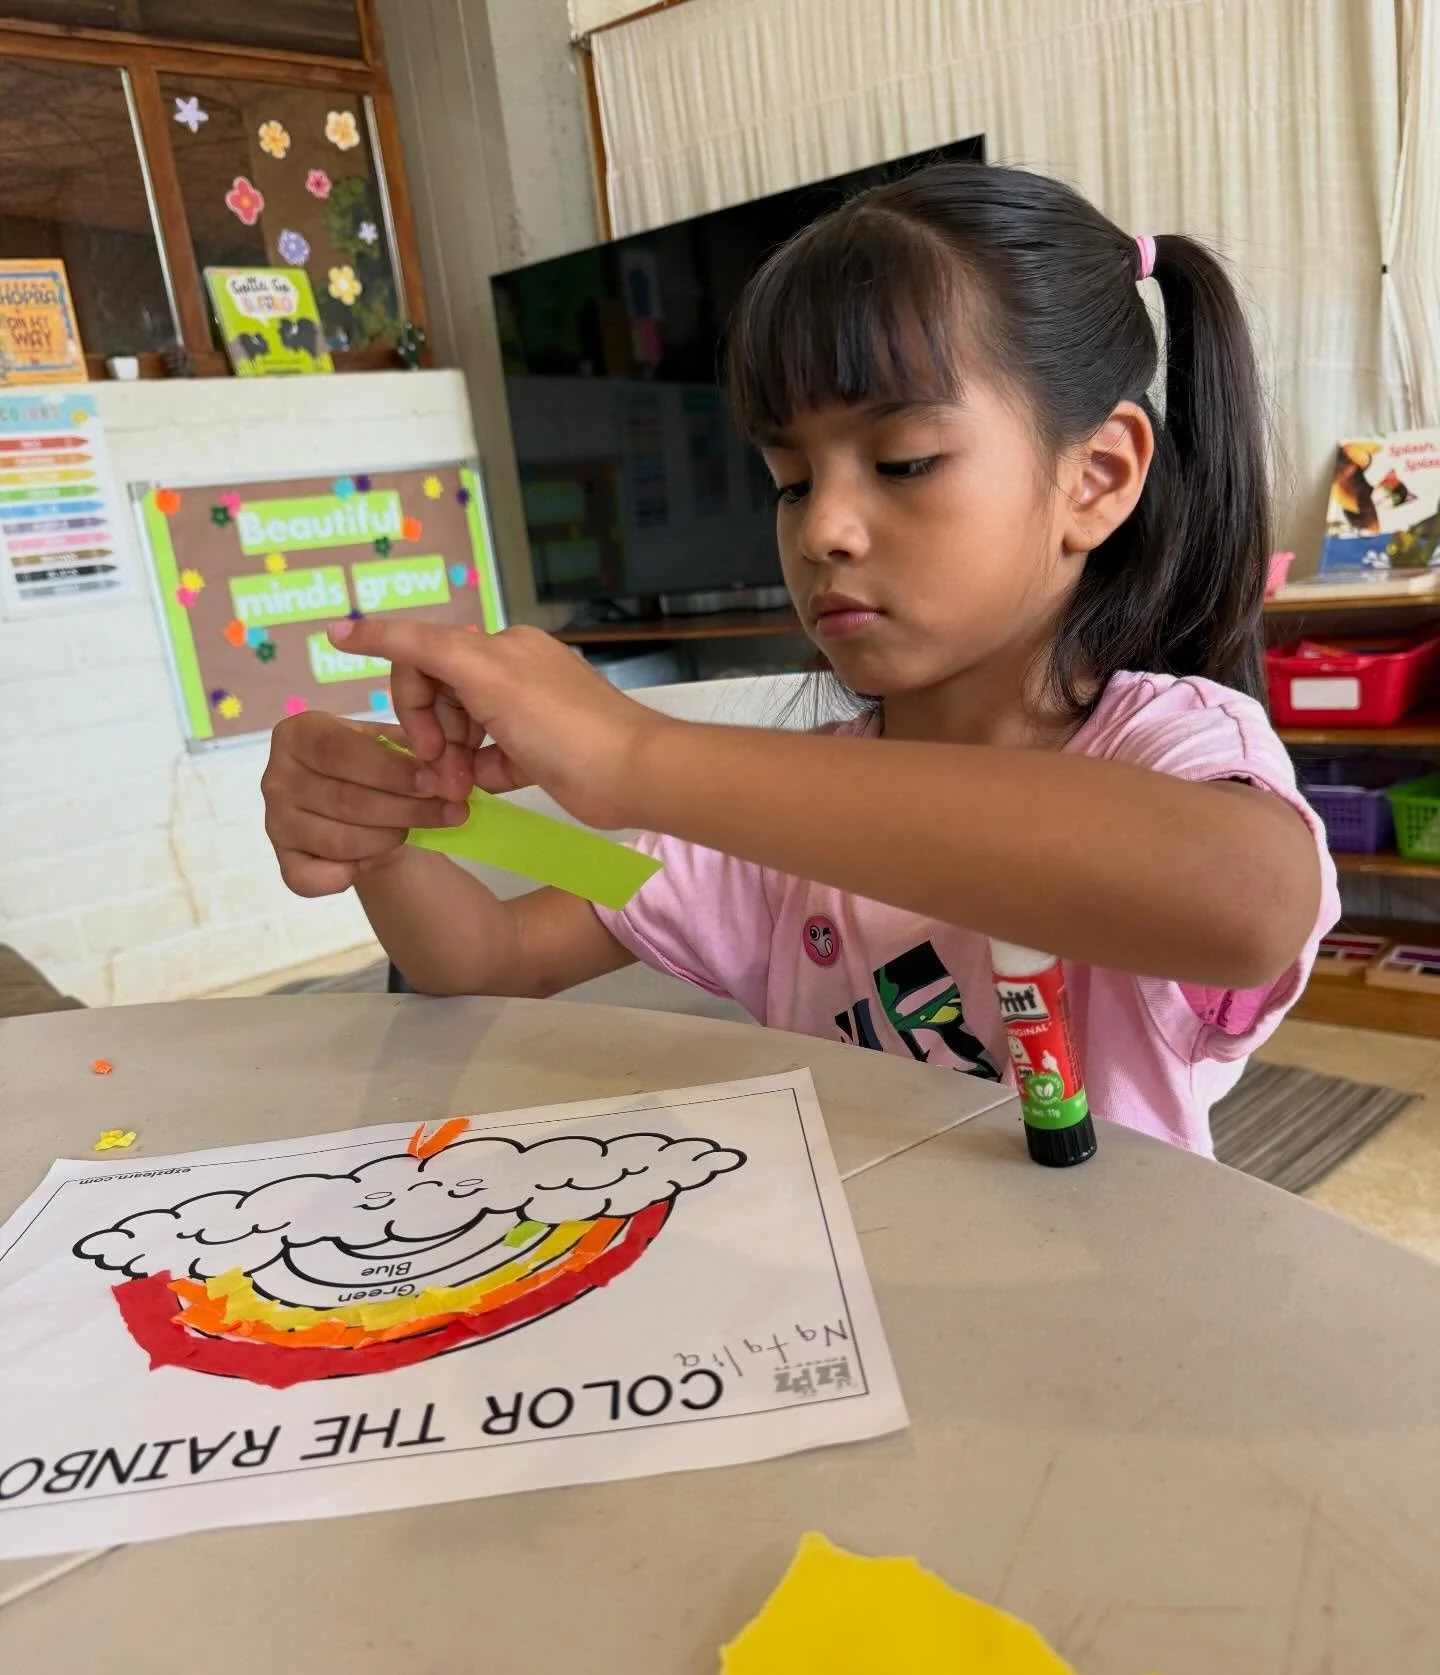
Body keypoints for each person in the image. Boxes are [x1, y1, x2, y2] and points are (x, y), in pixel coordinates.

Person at [261, 164, 1337, 1156]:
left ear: (1097, 477)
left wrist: (639, 752)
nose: (822, 528)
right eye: (788, 479)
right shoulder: (764, 829)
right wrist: (382, 836)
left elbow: (1245, 902)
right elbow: (494, 959)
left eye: (902, 462)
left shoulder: (1163, 743)